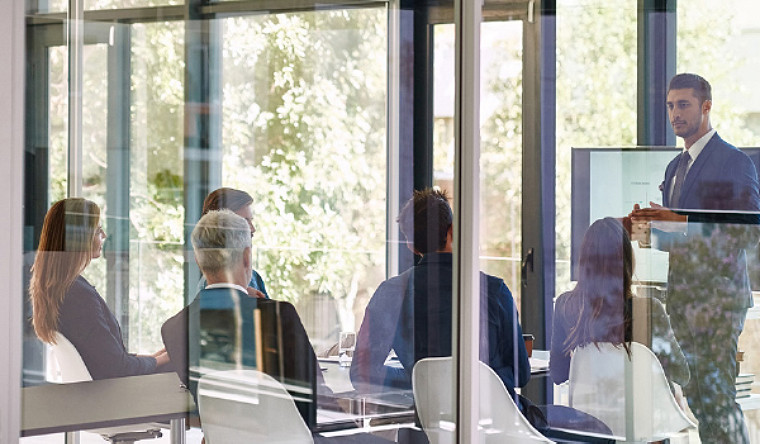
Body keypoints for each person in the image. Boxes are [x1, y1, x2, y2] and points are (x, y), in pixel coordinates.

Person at [630, 73, 760, 443]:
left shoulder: (734, 162)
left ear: (706, 107)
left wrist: (681, 224)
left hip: (718, 303)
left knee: (717, 400)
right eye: (670, 106)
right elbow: (676, 238)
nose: (675, 114)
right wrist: (647, 230)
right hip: (683, 299)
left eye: (683, 105)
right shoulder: (674, 168)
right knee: (698, 401)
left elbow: (748, 231)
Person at [351, 188, 530, 399]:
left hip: (423, 425)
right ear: (452, 231)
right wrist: (479, 378)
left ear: (410, 245)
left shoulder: (390, 293)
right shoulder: (494, 290)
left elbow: (361, 374)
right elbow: (520, 374)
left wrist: (419, 378)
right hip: (489, 422)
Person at [161, 209, 325, 426]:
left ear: (198, 261)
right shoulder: (278, 315)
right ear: (247, 257)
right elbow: (316, 402)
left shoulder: (174, 327)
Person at [29, 198, 169, 379]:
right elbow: (116, 367)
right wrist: (163, 360)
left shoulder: (59, 289)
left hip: (98, 395)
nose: (103, 235)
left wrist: (155, 357)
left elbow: (104, 358)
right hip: (110, 397)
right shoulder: (78, 296)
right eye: (97, 230)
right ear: (79, 238)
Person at [550, 217, 689, 387]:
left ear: (584, 261)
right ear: (627, 261)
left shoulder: (566, 306)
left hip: (587, 411)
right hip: (638, 411)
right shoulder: (648, 309)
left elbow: (558, 374)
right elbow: (681, 375)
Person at [196, 187, 268, 299]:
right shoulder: (208, 287)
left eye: (251, 220)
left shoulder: (255, 278)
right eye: (244, 221)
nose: (252, 229)